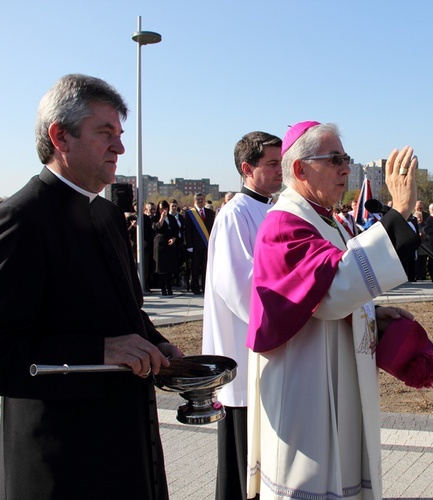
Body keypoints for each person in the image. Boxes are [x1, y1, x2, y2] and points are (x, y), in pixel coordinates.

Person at [0, 74, 183, 498]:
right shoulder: (18, 221)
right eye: (105, 134)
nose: (119, 147)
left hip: (126, 448)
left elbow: (122, 310)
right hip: (61, 466)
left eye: (119, 134)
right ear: (60, 136)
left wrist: (155, 344)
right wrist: (98, 351)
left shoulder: (106, 215)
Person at [246, 121, 420, 499]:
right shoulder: (284, 223)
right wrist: (399, 212)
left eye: (347, 159)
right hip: (305, 382)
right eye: (335, 159)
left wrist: (372, 313)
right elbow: (330, 293)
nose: (346, 169)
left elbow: (339, 285)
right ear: (299, 169)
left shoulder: (328, 220)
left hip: (334, 375)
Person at [201, 130, 283, 500]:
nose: (281, 170)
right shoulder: (235, 214)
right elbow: (238, 285)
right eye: (273, 164)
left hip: (270, 351)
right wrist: (287, 317)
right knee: (242, 461)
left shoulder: (273, 209)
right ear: (247, 168)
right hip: (246, 350)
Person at [184, 192, 214, 294]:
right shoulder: (189, 214)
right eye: (198, 199)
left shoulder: (210, 213)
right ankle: (195, 288)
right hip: (195, 246)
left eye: (202, 199)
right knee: (195, 268)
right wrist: (189, 245)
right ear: (194, 201)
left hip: (207, 245)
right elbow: (187, 230)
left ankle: (206, 288)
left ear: (205, 200)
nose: (200, 201)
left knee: (207, 268)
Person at [152, 199, 179, 296]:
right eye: (161, 209)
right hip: (160, 245)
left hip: (170, 244)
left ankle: (169, 287)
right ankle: (163, 289)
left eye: (165, 208)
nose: (163, 210)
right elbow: (156, 228)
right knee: (161, 268)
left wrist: (174, 238)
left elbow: (176, 229)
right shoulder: (155, 218)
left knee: (169, 268)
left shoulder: (171, 218)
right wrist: (161, 219)